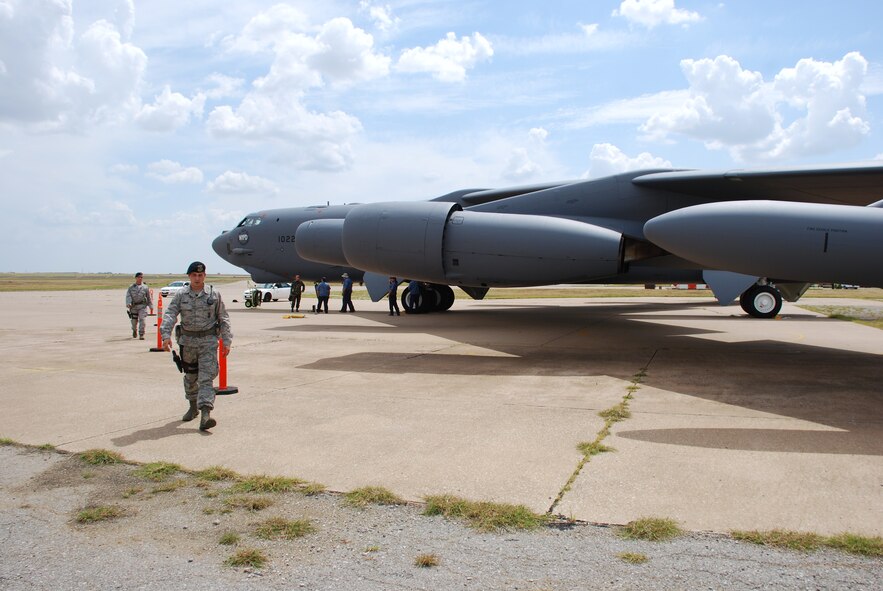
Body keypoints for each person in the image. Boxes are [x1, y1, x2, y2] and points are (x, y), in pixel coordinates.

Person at [161, 262, 232, 432]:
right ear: (189, 276)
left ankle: (205, 414)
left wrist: (227, 341)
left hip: (208, 342)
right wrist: (165, 335)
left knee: (206, 378)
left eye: (200, 275)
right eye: (194, 275)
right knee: (190, 377)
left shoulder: (214, 295)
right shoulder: (181, 295)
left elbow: (223, 318)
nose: (197, 278)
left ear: (205, 276)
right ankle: (193, 406)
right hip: (188, 343)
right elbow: (170, 314)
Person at [125, 272, 154, 339]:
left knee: (142, 320)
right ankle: (134, 330)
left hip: (142, 306)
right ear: (136, 278)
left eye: (141, 277)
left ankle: (141, 334)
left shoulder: (145, 287)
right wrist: (128, 303)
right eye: (139, 277)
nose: (140, 278)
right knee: (134, 322)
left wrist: (151, 306)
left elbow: (148, 297)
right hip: (134, 307)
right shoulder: (131, 287)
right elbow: (128, 296)